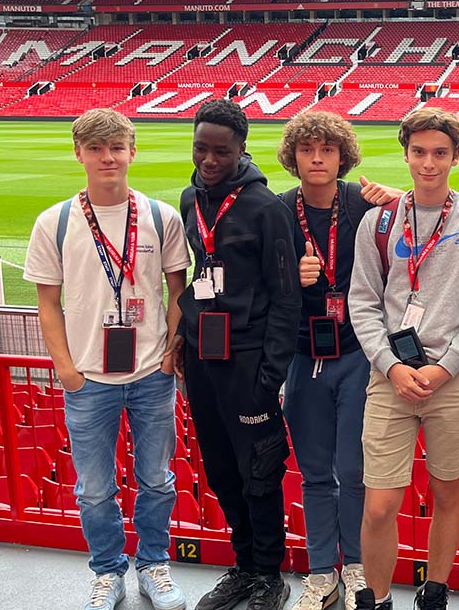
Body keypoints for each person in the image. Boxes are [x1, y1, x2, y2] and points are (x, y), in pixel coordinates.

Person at [24, 109, 190, 610]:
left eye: (116, 147)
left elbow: (178, 290)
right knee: (94, 489)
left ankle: (154, 565)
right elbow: (47, 303)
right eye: (96, 149)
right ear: (79, 154)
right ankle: (107, 571)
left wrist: (168, 354)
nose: (107, 158)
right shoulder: (54, 223)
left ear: (132, 152)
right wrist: (66, 369)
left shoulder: (162, 217)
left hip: (150, 375)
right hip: (88, 380)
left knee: (157, 480)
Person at [347, 108, 459, 610]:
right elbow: (363, 302)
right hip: (389, 378)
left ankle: (435, 589)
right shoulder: (379, 222)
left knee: (447, 490)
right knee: (380, 504)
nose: (429, 163)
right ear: (406, 153)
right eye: (419, 152)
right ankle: (376, 597)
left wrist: (445, 366)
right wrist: (392, 366)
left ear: (456, 157)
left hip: (452, 381)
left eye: (440, 153)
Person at [173, 99, 301, 610]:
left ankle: (269, 572)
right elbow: (200, 273)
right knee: (222, 468)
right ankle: (244, 565)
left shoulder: (265, 208)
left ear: (241, 150)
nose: (209, 159)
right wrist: (184, 335)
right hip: (205, 357)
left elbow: (286, 294)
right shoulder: (189, 199)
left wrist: (270, 374)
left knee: (260, 468)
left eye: (220, 151)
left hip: (251, 361)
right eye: (201, 149)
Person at [276, 112, 400, 610]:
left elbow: (417, 240)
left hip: (357, 354)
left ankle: (356, 570)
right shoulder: (280, 211)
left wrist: (396, 202)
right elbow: (262, 287)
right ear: (294, 157)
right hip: (303, 357)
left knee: (353, 471)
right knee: (314, 474)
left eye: (327, 149)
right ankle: (321, 571)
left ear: (343, 155)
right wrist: (292, 278)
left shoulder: (362, 203)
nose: (318, 158)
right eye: (308, 150)